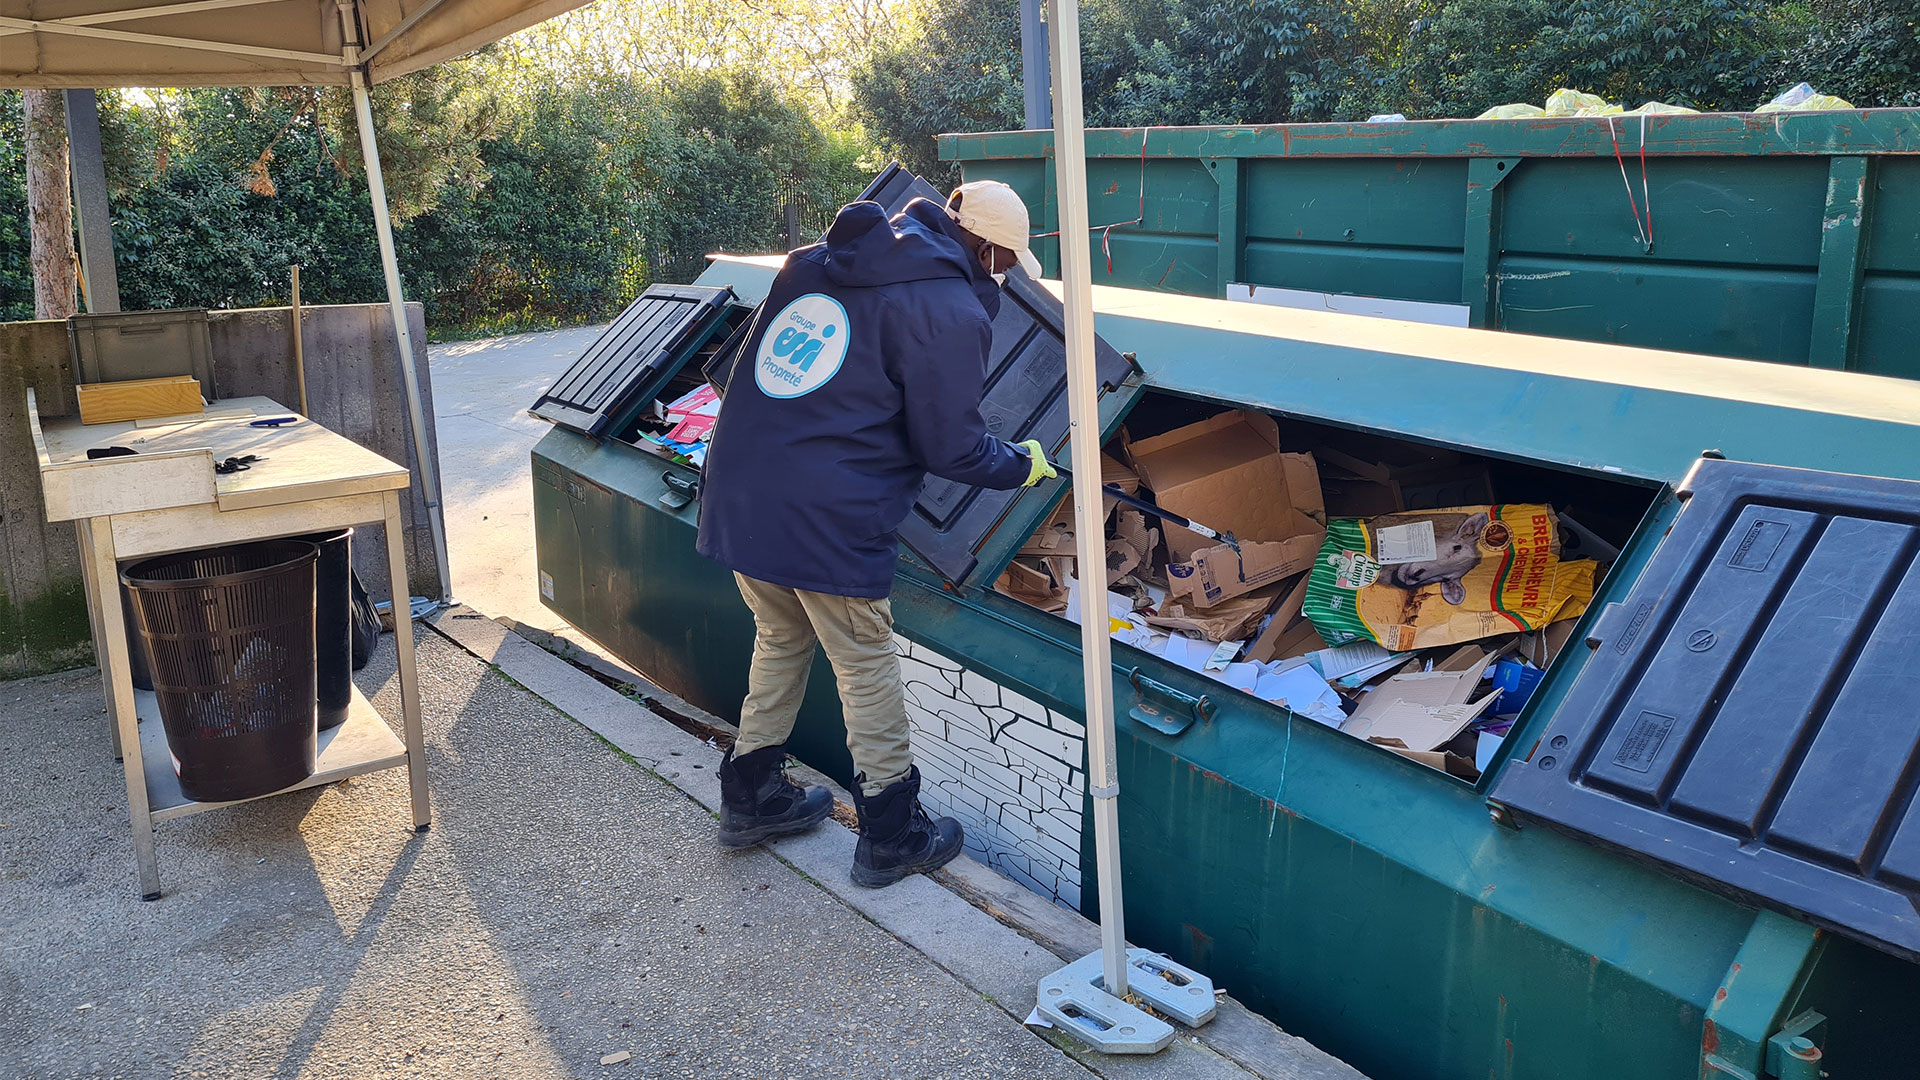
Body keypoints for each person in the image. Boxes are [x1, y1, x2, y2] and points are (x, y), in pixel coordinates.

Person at [696, 180, 1054, 887]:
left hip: (742, 493)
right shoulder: (948, 306)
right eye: (1007, 260)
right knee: (865, 665)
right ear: (982, 247)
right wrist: (1021, 465)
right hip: (828, 516)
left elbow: (757, 376)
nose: (1007, 275)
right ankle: (891, 832)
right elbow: (951, 447)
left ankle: (750, 795)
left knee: (781, 638)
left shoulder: (809, 263)